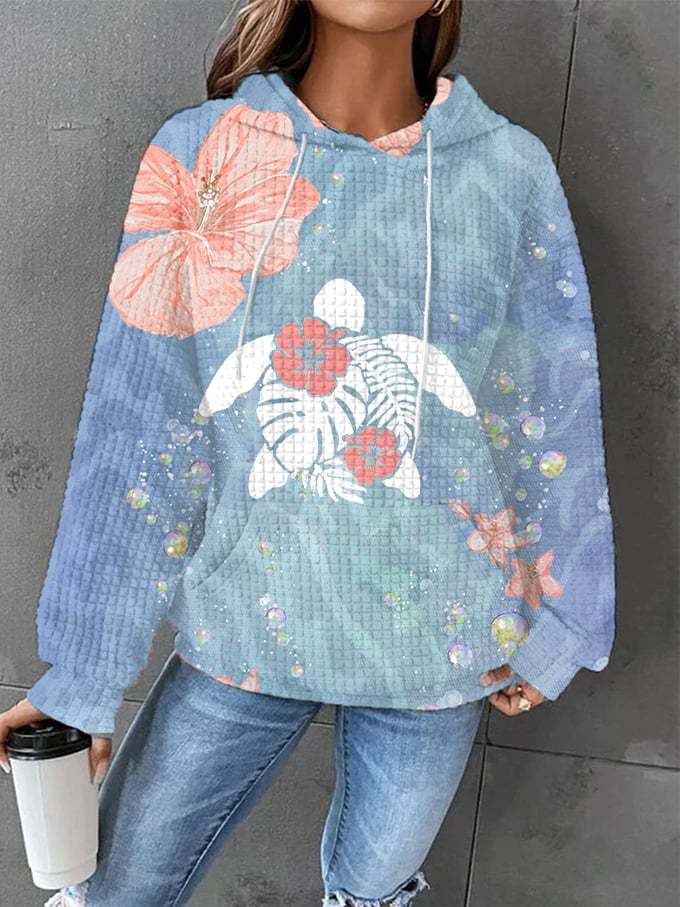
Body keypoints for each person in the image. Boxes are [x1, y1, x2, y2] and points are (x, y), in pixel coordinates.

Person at [0, 1, 617, 904]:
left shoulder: (508, 171)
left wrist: (562, 622)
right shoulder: (206, 155)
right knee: (118, 889)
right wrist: (83, 676)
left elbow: (547, 409)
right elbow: (140, 427)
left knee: (372, 892)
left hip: (438, 643)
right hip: (247, 620)